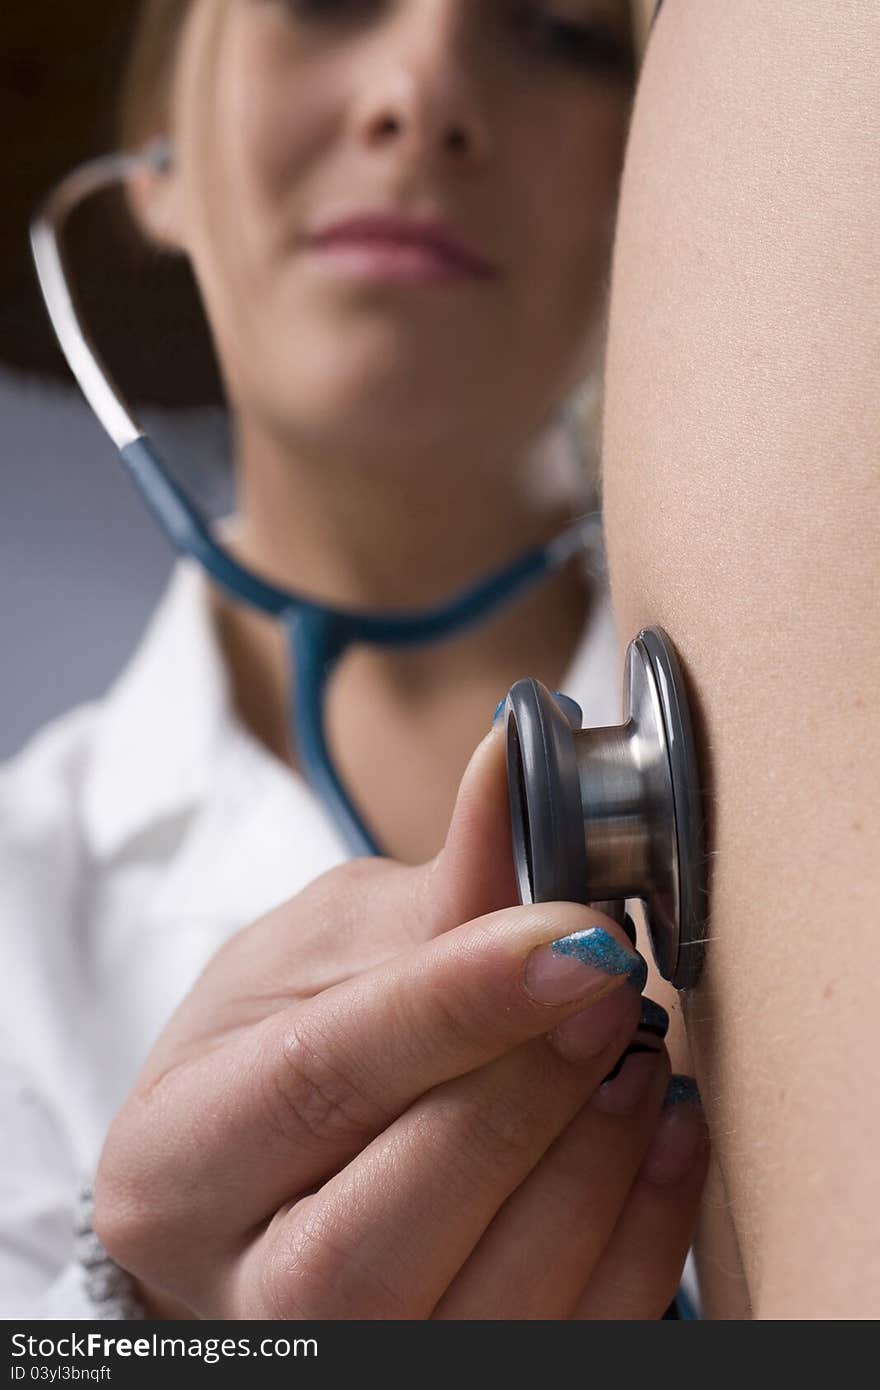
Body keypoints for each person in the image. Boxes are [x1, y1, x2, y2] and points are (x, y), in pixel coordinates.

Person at [0, 0, 709, 1320]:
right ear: (158, 148)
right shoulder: (20, 914)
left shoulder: (838, 734)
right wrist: (144, 1331)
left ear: (657, 174)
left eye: (562, 33)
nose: (422, 90)